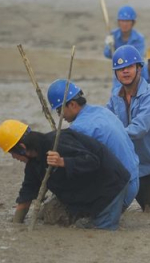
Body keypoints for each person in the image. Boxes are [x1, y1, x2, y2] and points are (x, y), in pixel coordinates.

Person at [0, 120, 130, 230]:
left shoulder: (57, 142)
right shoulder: (33, 164)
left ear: (22, 148)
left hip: (110, 187)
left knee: (100, 231)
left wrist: (63, 162)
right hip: (84, 192)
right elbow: (27, 193)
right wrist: (16, 225)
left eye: (12, 153)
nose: (13, 157)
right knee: (51, 218)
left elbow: (93, 161)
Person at [46, 79, 139, 210]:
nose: (60, 116)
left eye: (59, 111)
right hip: (134, 180)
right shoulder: (101, 111)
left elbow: (82, 166)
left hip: (122, 188)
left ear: (72, 104)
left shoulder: (80, 128)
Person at [107, 45, 150, 213]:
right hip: (133, 164)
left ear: (139, 68)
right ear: (116, 73)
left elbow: (138, 129)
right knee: (124, 211)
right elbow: (105, 120)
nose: (125, 72)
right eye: (120, 69)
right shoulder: (115, 95)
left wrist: (110, 137)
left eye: (129, 67)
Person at [103, 5, 145, 89]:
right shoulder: (113, 35)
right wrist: (109, 46)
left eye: (127, 21)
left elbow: (137, 59)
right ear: (118, 22)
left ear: (133, 23)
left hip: (134, 74)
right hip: (118, 74)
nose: (124, 24)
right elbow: (107, 54)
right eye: (122, 21)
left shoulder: (139, 38)